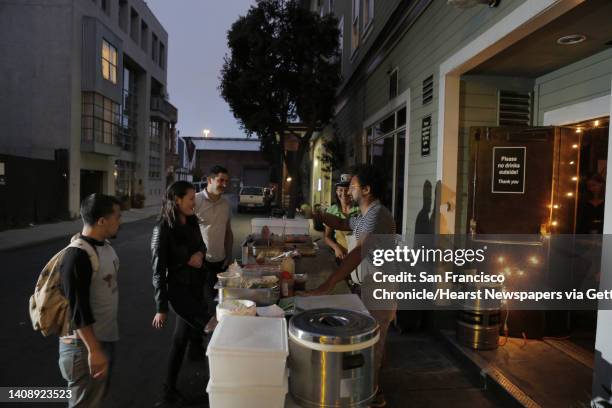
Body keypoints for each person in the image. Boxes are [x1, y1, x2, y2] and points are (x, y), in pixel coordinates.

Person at [309, 164, 396, 408]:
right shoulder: (366, 213)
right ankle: (368, 391)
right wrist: (319, 216)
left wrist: (328, 283)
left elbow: (358, 252)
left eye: (353, 186)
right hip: (367, 286)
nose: (348, 191)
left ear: (366, 190)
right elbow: (344, 223)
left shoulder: (378, 215)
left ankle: (373, 397)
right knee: (367, 344)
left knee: (373, 347)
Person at [58, 193, 122, 408]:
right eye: (117, 217)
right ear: (102, 221)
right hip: (83, 346)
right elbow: (78, 309)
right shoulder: (77, 256)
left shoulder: (105, 246)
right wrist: (94, 350)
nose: (120, 222)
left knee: (97, 399)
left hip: (103, 339)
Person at [151, 181, 208, 406]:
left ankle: (169, 391)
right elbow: (157, 271)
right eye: (191, 199)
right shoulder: (162, 228)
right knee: (210, 325)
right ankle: (169, 392)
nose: (195, 203)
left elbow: (202, 246)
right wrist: (161, 307)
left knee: (180, 339)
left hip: (196, 287)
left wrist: (200, 255)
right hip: (179, 291)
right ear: (177, 200)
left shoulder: (192, 221)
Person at [194, 165, 233, 323]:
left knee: (221, 302)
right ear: (209, 180)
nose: (224, 184)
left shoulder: (226, 204)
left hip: (221, 262)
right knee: (208, 305)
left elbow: (228, 231)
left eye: (226, 181)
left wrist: (229, 255)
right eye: (221, 180)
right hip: (202, 263)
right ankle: (204, 339)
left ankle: (204, 338)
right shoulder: (196, 200)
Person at [324, 173, 360, 261]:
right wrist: (336, 248)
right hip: (341, 255)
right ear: (336, 191)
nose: (343, 193)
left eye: (347, 190)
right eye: (340, 190)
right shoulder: (332, 210)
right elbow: (327, 236)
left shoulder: (360, 209)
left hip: (358, 255)